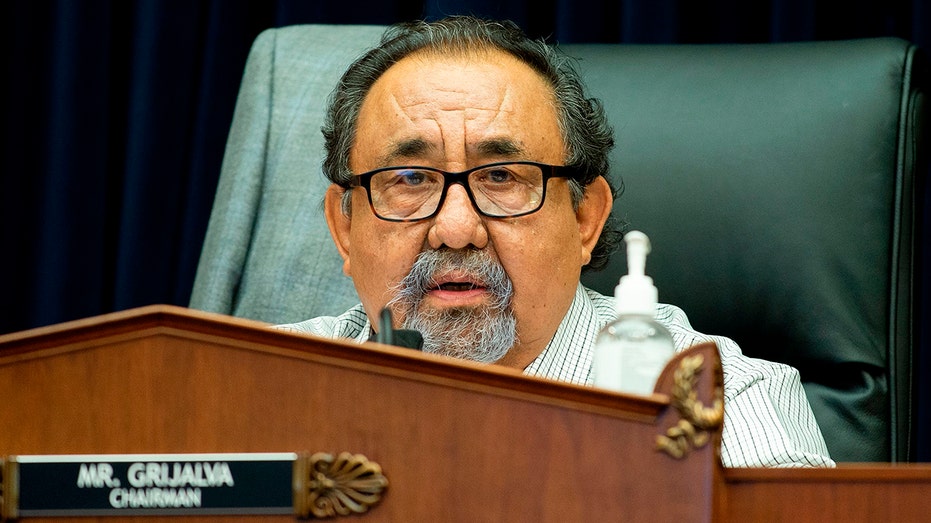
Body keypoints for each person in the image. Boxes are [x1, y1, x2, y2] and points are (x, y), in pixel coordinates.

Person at [277, 16, 833, 468]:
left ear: (585, 219)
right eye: (410, 180)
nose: (454, 230)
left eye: (501, 178)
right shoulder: (256, 383)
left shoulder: (720, 407)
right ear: (344, 228)